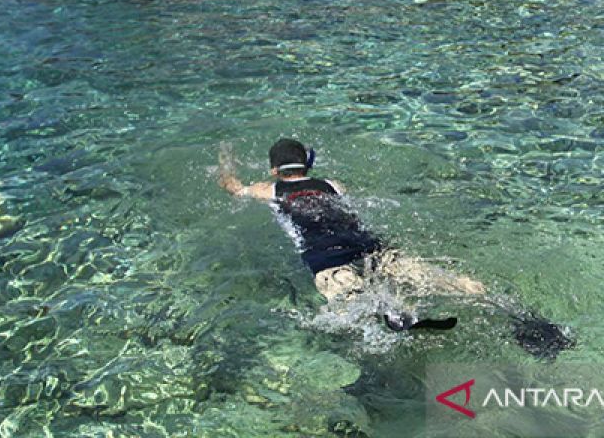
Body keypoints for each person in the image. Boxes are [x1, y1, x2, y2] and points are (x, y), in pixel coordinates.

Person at [218, 139, 575, 354]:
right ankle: (528, 322)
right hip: (376, 250)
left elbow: (232, 187)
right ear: (308, 163)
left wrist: (225, 160)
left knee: (353, 309)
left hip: (329, 263)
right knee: (461, 285)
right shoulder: (333, 184)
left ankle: (397, 317)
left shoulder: (271, 191)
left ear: (274, 170)